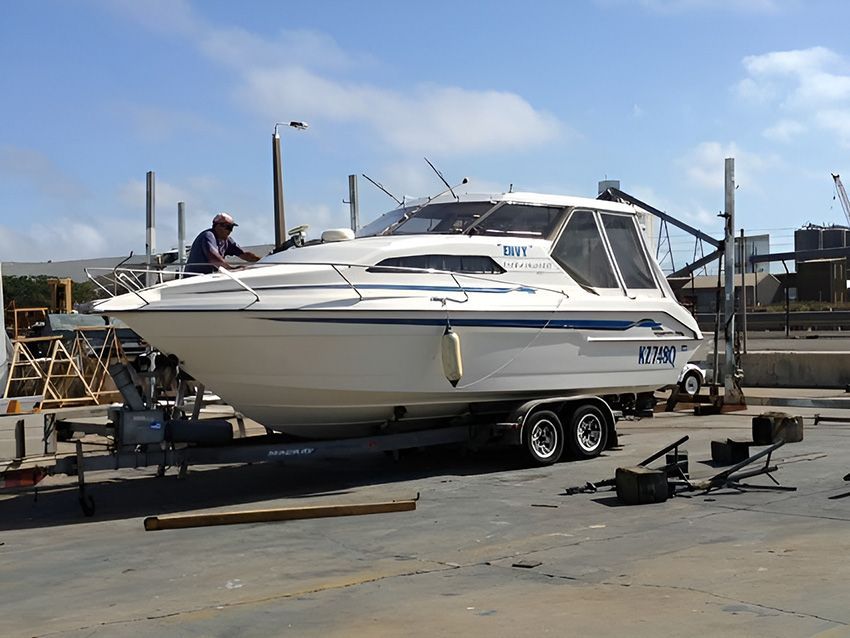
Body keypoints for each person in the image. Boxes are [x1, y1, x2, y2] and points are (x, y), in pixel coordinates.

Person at [184, 213, 261, 275]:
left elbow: (243, 254)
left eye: (231, 228)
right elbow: (214, 258)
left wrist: (262, 261)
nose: (230, 231)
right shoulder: (208, 236)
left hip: (209, 277)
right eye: (228, 227)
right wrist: (231, 269)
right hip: (195, 277)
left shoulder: (227, 240)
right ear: (218, 226)